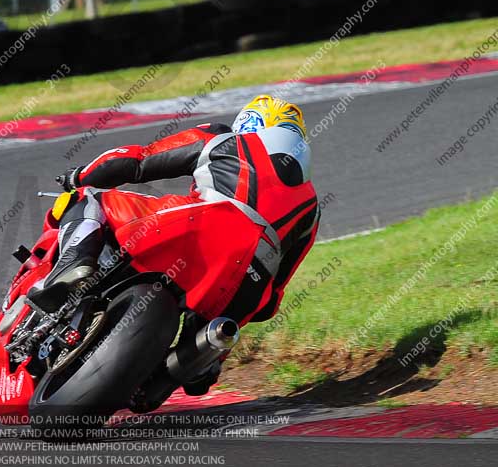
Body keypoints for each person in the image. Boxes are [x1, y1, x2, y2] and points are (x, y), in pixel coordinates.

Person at [30, 95, 320, 391]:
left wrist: (80, 176)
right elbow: (273, 297)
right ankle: (192, 366)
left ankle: (72, 266)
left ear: (249, 122)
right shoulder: (312, 207)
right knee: (205, 352)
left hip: (203, 224)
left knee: (89, 198)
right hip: (248, 280)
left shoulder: (224, 138)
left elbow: (137, 161)